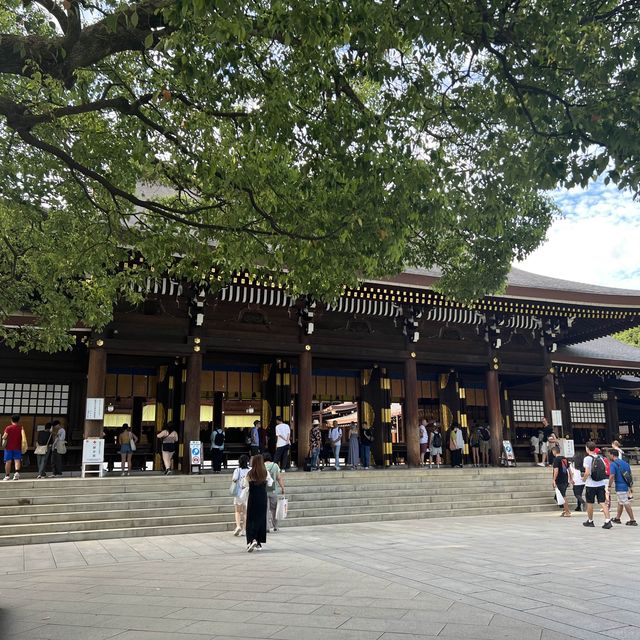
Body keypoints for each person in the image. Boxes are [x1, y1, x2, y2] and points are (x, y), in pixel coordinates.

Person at [243, 454, 271, 552]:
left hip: (253, 497)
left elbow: (245, 484)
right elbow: (270, 483)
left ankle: (252, 539)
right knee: (261, 519)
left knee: (251, 519)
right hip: (262, 497)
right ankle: (259, 542)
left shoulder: (250, 473)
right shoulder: (265, 472)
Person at [582, 441, 612, 529]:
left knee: (590, 503)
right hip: (601, 483)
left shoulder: (587, 458)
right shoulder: (600, 457)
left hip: (591, 484)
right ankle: (607, 520)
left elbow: (587, 472)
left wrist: (583, 479)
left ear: (587, 448)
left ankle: (590, 521)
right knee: (603, 502)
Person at [608, 449, 636, 526]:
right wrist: (630, 486)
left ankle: (632, 520)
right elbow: (629, 475)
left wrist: (609, 486)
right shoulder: (625, 463)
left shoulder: (613, 464)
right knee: (620, 502)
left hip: (620, 486)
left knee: (625, 502)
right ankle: (617, 518)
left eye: (609, 454)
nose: (608, 456)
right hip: (626, 485)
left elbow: (612, 476)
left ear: (612, 455)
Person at [264, 452, 285, 532]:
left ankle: (266, 527)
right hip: (273, 490)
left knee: (265, 509)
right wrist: (283, 488)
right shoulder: (275, 465)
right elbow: (279, 478)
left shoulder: (262, 466)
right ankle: (275, 526)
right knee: (274, 509)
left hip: (264, 490)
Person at [231, 454, 251, 536]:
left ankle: (238, 526)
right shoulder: (250, 470)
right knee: (246, 512)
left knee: (238, 511)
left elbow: (234, 480)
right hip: (248, 492)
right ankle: (244, 529)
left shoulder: (237, 470)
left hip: (239, 493)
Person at [2, 415, 24, 481]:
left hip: (8, 447)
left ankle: (7, 476)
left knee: (8, 461)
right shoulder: (20, 428)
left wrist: (3, 438)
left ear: (11, 420)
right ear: (18, 420)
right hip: (17, 447)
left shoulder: (8, 428)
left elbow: (4, 436)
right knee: (17, 460)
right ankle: (16, 473)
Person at [551, 446, 571, 517]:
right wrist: (570, 478)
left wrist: (554, 480)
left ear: (554, 451)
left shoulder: (556, 460)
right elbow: (569, 469)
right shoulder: (565, 458)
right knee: (558, 496)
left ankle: (567, 511)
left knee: (563, 496)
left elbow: (556, 470)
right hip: (565, 479)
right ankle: (565, 510)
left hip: (559, 480)